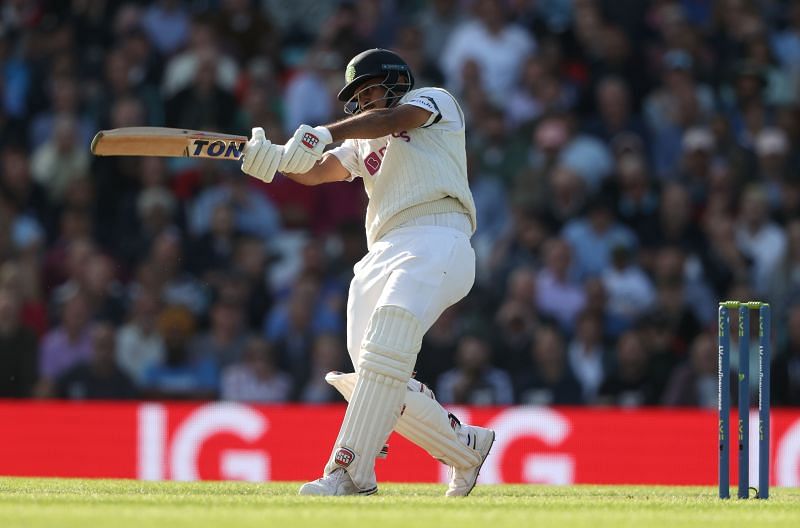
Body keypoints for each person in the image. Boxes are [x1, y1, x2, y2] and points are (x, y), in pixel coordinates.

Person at [241, 48, 494, 497]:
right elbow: (319, 171)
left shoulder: (434, 101)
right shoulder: (363, 141)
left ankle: (349, 473)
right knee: (371, 376)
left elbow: (393, 120)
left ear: (397, 82)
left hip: (438, 234)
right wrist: (273, 160)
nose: (365, 100)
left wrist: (323, 131)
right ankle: (465, 448)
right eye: (357, 95)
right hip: (382, 250)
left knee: (387, 345)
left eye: (371, 88)